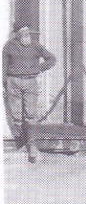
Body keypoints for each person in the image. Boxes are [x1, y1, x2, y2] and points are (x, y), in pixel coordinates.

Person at [3, 22, 56, 162]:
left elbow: (52, 59)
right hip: (13, 82)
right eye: (22, 32)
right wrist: (3, 83)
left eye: (27, 32)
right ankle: (22, 142)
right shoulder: (9, 46)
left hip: (31, 82)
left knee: (31, 115)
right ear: (16, 34)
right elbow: (3, 66)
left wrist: (39, 68)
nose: (26, 34)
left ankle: (32, 146)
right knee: (17, 117)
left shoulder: (36, 46)